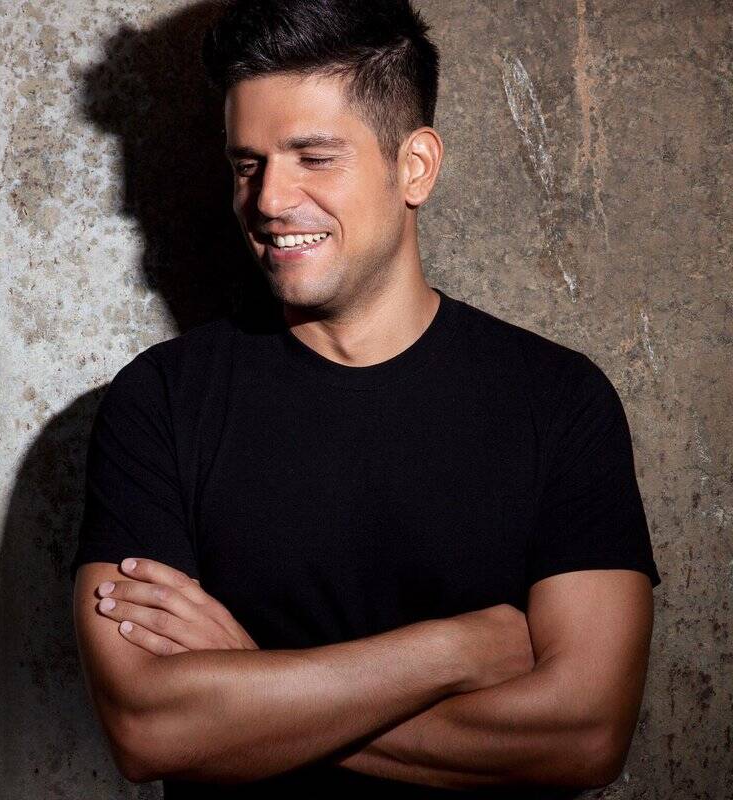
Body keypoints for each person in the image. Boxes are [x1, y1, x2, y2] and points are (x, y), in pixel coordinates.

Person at [70, 1, 662, 797]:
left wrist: (255, 685)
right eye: (247, 164)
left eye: (314, 157)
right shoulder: (161, 402)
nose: (269, 199)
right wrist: (453, 651)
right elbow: (147, 728)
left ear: (415, 166)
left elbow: (585, 736)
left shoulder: (558, 401)